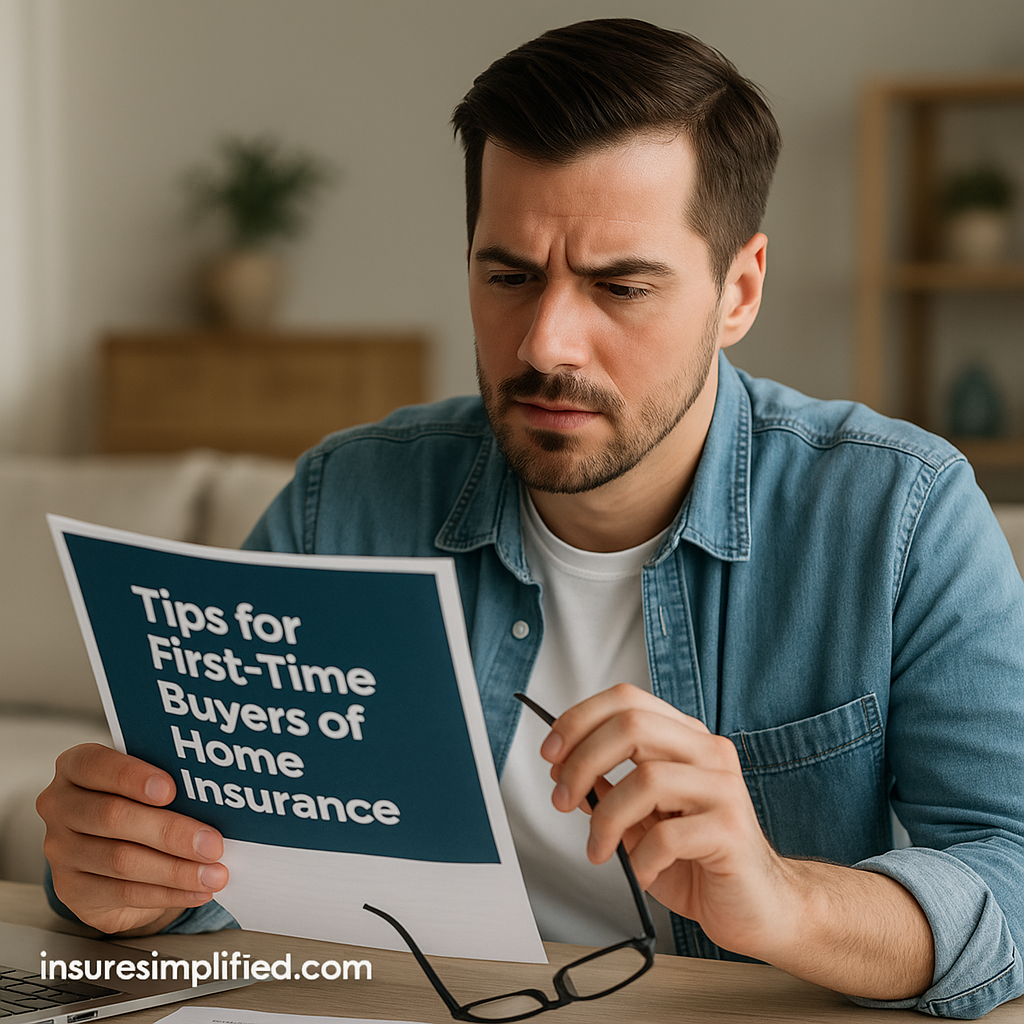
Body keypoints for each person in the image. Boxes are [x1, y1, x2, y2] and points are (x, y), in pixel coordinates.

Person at [38, 19, 1024, 1018]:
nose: (546, 341)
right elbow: (219, 879)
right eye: (507, 275)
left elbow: (1013, 873)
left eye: (620, 285)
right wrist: (121, 884)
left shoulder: (898, 514)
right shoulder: (344, 500)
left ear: (740, 290)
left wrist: (781, 901)